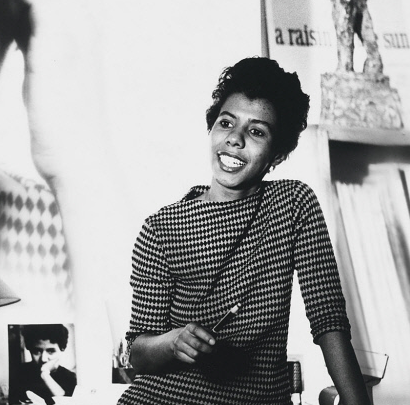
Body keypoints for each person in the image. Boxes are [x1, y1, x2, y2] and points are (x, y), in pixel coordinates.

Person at [117, 57, 371, 405]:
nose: (234, 140)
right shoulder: (162, 228)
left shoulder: (294, 204)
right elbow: (137, 352)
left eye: (256, 131)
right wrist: (174, 341)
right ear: (212, 130)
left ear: (277, 154)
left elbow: (328, 319)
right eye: (226, 123)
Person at [16, 324, 77, 405]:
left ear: (62, 349)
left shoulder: (70, 378)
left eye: (51, 351)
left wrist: (45, 375)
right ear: (29, 349)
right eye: (37, 351)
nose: (43, 359)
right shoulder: (18, 374)